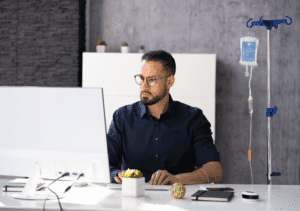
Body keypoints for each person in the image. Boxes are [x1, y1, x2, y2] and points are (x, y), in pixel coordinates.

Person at [107, 50, 222, 185]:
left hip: (179, 200)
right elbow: (106, 166)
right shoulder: (122, 117)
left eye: (152, 80)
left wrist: (176, 179)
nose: (143, 86)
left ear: (170, 81)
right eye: (142, 78)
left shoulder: (193, 118)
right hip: (132, 201)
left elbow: (215, 171)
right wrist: (117, 175)